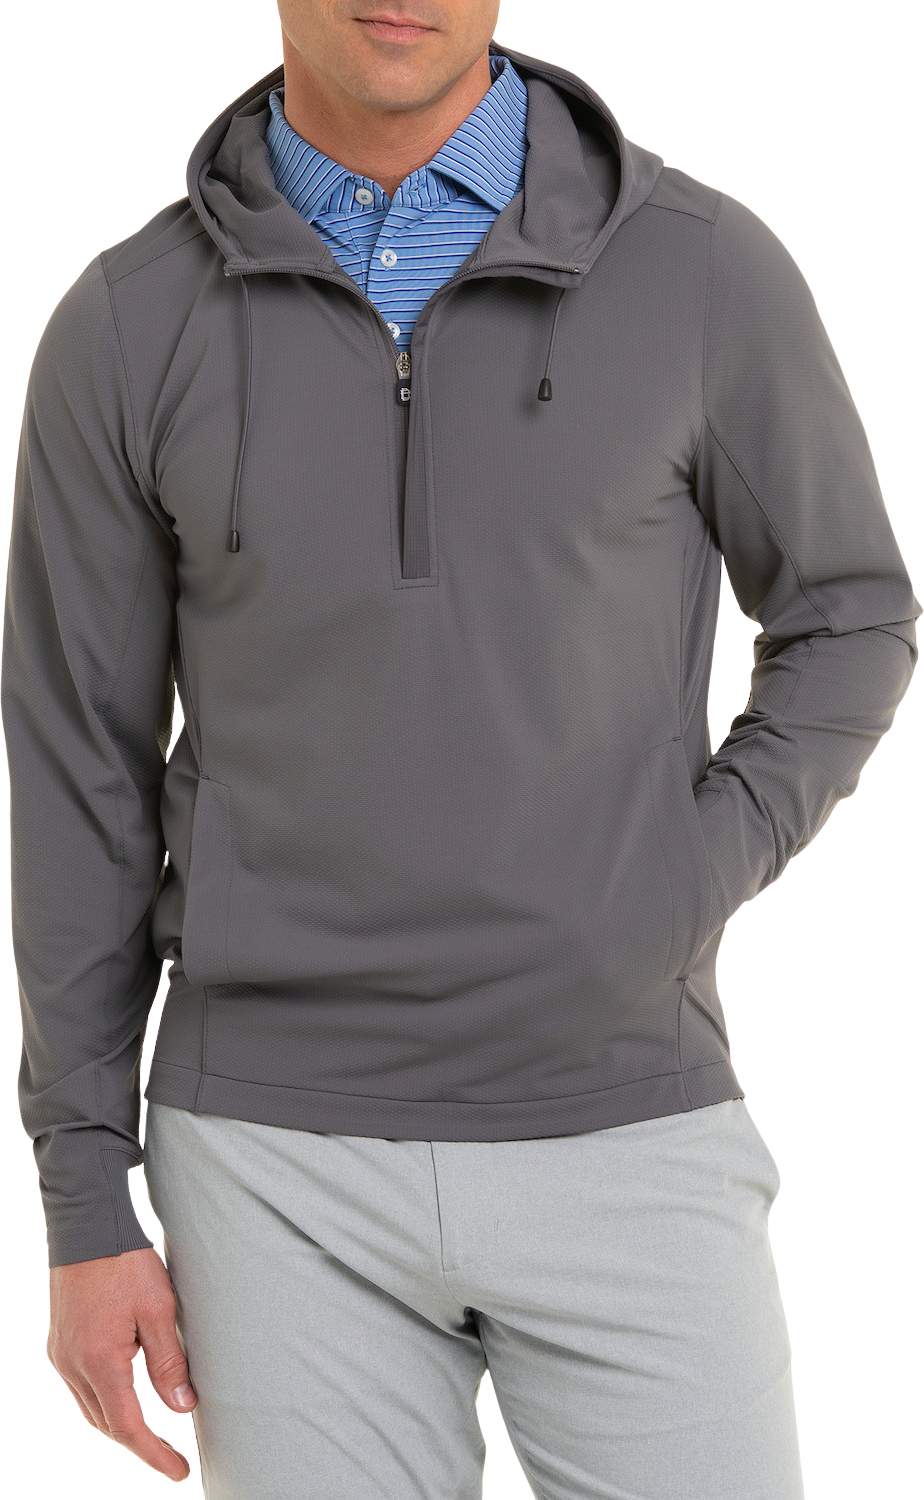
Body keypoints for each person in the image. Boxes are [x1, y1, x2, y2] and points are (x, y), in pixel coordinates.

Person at [6, 2, 920, 1496]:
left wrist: (685, 872)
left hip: (628, 1121)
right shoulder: (126, 323)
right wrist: (84, 1204)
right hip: (268, 1168)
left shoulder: (703, 268)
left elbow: (852, 612)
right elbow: (76, 773)